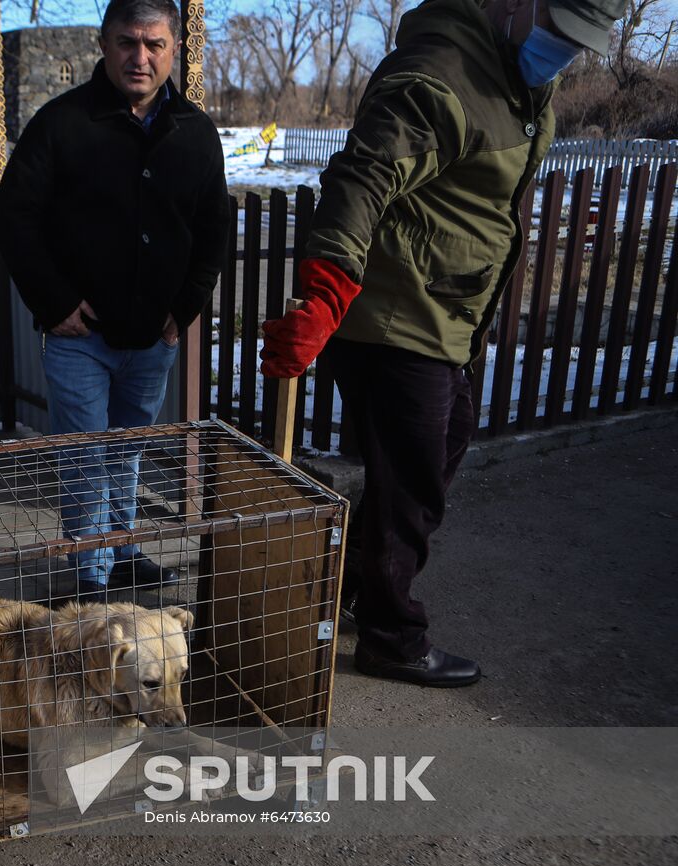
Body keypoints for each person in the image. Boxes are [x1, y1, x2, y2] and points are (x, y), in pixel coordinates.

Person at [261, 0, 623, 687]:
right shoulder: (439, 75)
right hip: (395, 318)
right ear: (518, 5)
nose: (562, 52)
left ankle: (338, 588)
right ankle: (392, 636)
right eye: (556, 33)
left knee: (437, 450)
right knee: (414, 485)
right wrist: (329, 284)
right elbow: (363, 172)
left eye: (579, 45)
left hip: (441, 316)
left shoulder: (517, 79)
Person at [0, 0, 230, 600]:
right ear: (105, 44)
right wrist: (53, 303)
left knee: (127, 452)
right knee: (85, 457)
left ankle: (122, 554)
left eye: (154, 44)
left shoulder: (196, 134)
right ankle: (90, 577)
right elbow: (14, 216)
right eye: (128, 42)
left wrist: (185, 310)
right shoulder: (63, 123)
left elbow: (212, 229)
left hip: (154, 338)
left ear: (173, 50)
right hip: (79, 339)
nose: (140, 57)